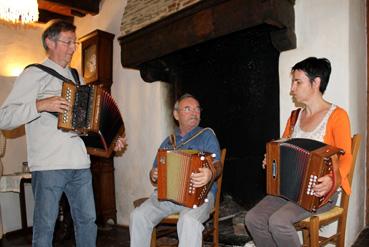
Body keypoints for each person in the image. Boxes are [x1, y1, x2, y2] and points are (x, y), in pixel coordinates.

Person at [0, 19, 125, 247]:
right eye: (68, 42)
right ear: (50, 42)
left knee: (87, 221)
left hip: (80, 163)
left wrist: (111, 140)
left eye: (74, 43)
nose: (72, 48)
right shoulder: (33, 74)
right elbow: (4, 118)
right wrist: (40, 105)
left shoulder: (77, 77)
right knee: (45, 226)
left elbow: (88, 124)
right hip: (49, 166)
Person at [244, 57, 352, 247]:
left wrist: (331, 181)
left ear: (316, 83)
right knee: (252, 219)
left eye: (298, 82)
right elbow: (281, 149)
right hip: (289, 190)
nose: (292, 88)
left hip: (319, 191)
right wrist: (271, 160)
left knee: (278, 222)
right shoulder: (294, 117)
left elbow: (346, 158)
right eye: (293, 82)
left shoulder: (337, 116)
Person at [129, 93, 222, 247]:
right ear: (176, 115)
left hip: (200, 196)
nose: (194, 112)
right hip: (169, 197)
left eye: (197, 109)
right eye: (188, 109)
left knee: (189, 220)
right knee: (138, 216)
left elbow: (218, 165)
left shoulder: (207, 135)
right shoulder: (168, 141)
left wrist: (211, 172)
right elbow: (154, 173)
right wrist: (153, 175)